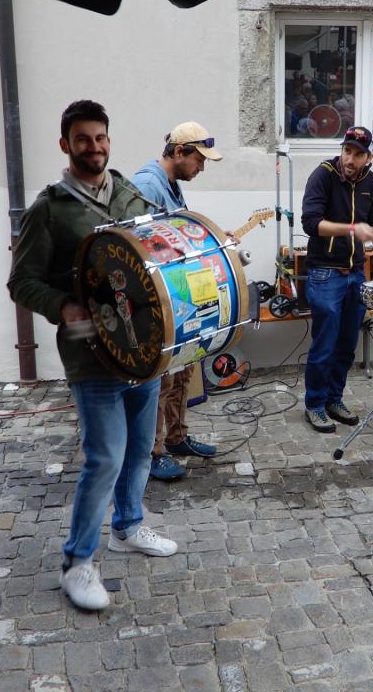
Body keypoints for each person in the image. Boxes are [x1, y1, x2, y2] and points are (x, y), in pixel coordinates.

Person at [8, 100, 177, 612]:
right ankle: (77, 563)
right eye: (83, 139)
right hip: (91, 355)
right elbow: (22, 282)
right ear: (66, 144)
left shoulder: (130, 195)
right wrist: (64, 305)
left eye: (100, 137)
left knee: (141, 448)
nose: (94, 147)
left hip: (143, 348)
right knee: (105, 458)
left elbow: (159, 255)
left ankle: (128, 526)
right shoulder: (49, 210)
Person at [130, 122, 222, 481]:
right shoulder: (147, 186)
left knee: (184, 368)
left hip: (177, 297)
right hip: (157, 302)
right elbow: (138, 247)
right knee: (161, 379)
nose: (202, 168)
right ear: (180, 151)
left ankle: (177, 437)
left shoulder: (171, 185)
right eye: (200, 160)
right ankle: (152, 454)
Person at [300, 125, 373, 433]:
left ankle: (334, 399)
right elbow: (311, 224)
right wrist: (353, 229)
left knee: (346, 345)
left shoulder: (371, 180)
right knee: (324, 346)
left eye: (357, 154)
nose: (350, 159)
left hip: (356, 272)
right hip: (325, 272)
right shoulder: (323, 175)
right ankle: (315, 404)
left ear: (369, 157)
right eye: (347, 151)